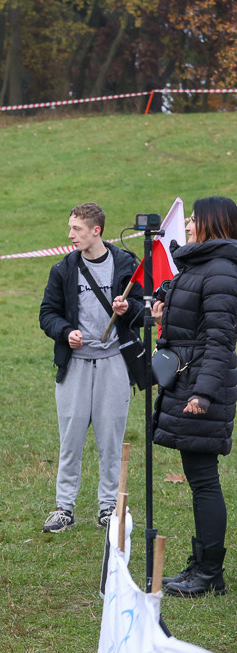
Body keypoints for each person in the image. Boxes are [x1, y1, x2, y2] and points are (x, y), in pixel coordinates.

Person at [38, 202, 143, 533]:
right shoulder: (63, 269)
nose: (70, 235)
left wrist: (128, 308)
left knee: (110, 438)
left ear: (96, 231)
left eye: (76, 229)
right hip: (76, 367)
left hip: (114, 363)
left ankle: (109, 508)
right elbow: (47, 313)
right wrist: (66, 332)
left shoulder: (126, 264)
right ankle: (64, 508)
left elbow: (146, 309)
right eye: (70, 228)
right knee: (70, 439)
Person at [153, 196, 237, 598]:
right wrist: (152, 309)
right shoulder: (202, 265)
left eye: (194, 217)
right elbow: (188, 318)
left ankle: (207, 574)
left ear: (212, 223)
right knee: (199, 478)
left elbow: (221, 339)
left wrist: (203, 393)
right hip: (191, 381)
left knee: (204, 480)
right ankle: (204, 567)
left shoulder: (221, 271)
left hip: (203, 385)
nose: (187, 222)